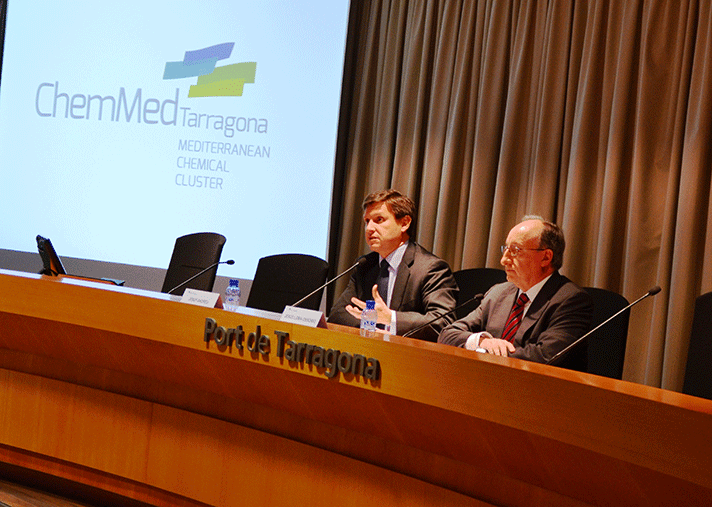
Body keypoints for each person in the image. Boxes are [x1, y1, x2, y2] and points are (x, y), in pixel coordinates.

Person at [437, 216, 592, 367]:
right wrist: (483, 341)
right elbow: (448, 334)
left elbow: (544, 356)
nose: (503, 260)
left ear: (546, 257)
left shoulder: (571, 301)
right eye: (506, 249)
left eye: (515, 250)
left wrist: (482, 351)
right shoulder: (498, 292)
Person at [328, 189, 458, 341]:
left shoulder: (430, 269)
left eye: (379, 220)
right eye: (367, 221)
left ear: (404, 223)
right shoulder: (365, 265)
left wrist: (391, 319)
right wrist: (372, 327)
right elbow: (337, 314)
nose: (369, 229)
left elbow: (443, 322)